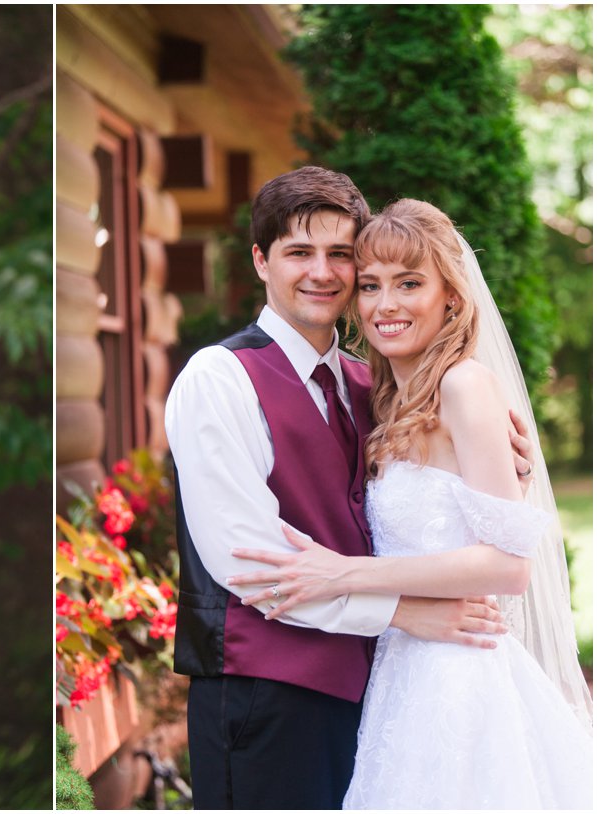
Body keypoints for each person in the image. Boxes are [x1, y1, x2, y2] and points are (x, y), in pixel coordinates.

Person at [164, 167, 534, 809]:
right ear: (261, 260)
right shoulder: (218, 378)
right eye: (299, 252)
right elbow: (248, 563)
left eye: (341, 255)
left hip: (382, 698)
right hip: (265, 698)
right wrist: (403, 613)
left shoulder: (380, 387)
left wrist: (511, 469)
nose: (323, 272)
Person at [228, 199, 592, 809]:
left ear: (451, 295)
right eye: (369, 286)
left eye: (409, 284)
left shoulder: (463, 385)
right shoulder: (390, 398)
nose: (385, 304)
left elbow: (509, 566)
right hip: (402, 672)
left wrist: (346, 572)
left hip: (459, 679)